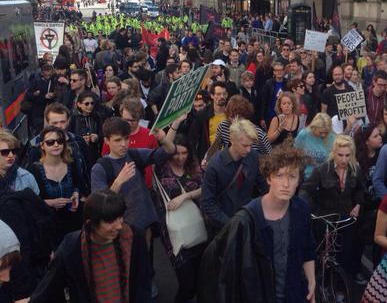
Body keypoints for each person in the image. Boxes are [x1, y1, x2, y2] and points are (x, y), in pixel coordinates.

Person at [199, 137, 316, 303]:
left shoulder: (301, 209)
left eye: (292, 176)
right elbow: (230, 273)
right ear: (268, 179)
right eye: (279, 175)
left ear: (299, 180)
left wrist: (311, 280)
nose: (285, 183)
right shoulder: (246, 219)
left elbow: (307, 248)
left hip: (294, 294)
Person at [30, 190, 152, 303]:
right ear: (91, 223)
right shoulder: (72, 247)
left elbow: (142, 281)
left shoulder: (134, 237)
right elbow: (51, 285)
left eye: (120, 217)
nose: (119, 226)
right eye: (111, 221)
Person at [91, 117, 176, 234]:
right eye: (117, 140)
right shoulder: (100, 168)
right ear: (106, 140)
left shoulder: (134, 154)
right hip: (121, 229)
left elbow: (168, 152)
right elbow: (99, 205)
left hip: (146, 223)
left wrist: (163, 139)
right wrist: (118, 183)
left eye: (126, 139)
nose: (123, 144)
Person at [299, 135, 365, 283]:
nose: (343, 159)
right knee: (323, 254)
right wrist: (306, 209)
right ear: (334, 152)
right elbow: (305, 190)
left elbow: (360, 190)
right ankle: (321, 282)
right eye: (340, 155)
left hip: (346, 220)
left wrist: (358, 205)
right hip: (325, 218)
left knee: (345, 255)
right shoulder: (321, 170)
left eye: (347, 155)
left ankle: (340, 288)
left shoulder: (355, 169)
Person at [154, 119, 203, 303]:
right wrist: (175, 125)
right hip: (173, 232)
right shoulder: (162, 168)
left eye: (184, 153)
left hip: (195, 226)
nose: (180, 157)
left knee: (199, 279)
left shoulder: (193, 167)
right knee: (186, 283)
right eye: (176, 153)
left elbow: (204, 188)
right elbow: (164, 146)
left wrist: (185, 196)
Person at [200, 118, 268, 236]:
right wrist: (231, 224)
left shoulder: (253, 157)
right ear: (232, 140)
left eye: (251, 145)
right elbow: (207, 203)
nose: (249, 150)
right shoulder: (215, 165)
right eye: (245, 145)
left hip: (247, 219)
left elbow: (263, 185)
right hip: (223, 228)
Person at [29, 126, 86, 249]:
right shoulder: (35, 169)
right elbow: (31, 200)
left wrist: (76, 194)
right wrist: (49, 202)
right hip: (49, 225)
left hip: (73, 220)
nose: (56, 145)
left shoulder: (70, 163)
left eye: (60, 141)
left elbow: (77, 184)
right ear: (42, 146)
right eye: (50, 142)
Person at [294, 113, 336, 178]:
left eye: (326, 132)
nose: (323, 135)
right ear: (314, 127)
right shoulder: (303, 135)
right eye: (321, 132)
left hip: (325, 178)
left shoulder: (332, 137)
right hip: (307, 176)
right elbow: (295, 155)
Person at [259, 60, 286, 129]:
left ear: (283, 71)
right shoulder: (268, 83)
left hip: (284, 115)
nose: (279, 72)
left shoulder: (287, 83)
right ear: (273, 72)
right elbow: (263, 101)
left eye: (281, 70)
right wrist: (262, 117)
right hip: (270, 115)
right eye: (276, 70)